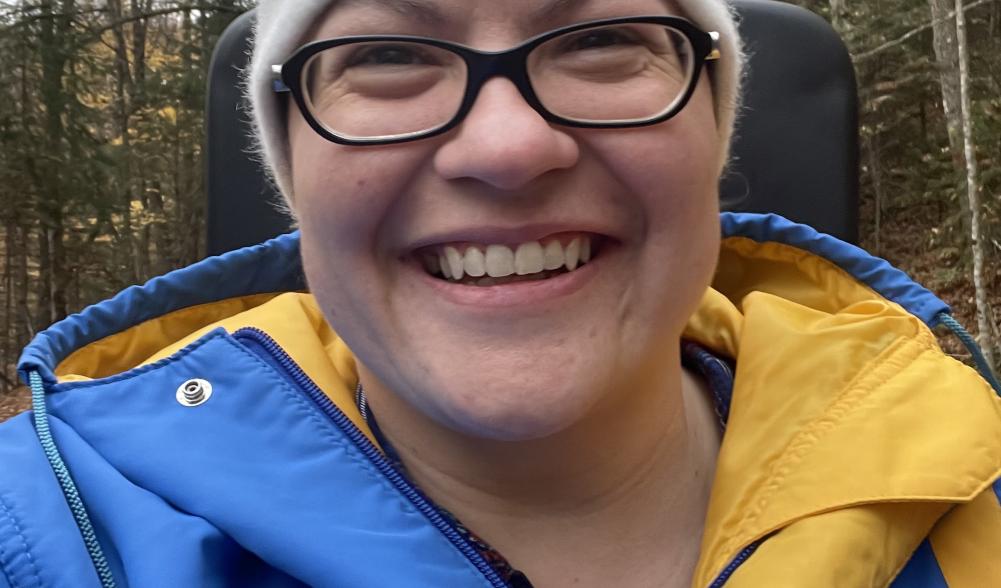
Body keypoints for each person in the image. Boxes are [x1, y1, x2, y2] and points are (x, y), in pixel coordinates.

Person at [1, 0, 999, 586]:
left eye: (601, 38)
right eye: (387, 56)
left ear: (711, 127)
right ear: (290, 165)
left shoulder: (971, 490)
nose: (507, 147)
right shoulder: (46, 531)